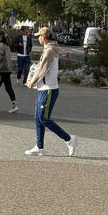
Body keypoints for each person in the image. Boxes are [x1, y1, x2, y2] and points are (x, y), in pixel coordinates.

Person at [25, 26, 76, 157]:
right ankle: (39, 147)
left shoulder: (49, 51)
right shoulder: (49, 49)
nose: (38, 39)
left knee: (43, 118)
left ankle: (69, 139)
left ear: (44, 37)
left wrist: (32, 81)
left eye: (39, 36)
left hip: (49, 89)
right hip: (44, 88)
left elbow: (43, 69)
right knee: (38, 118)